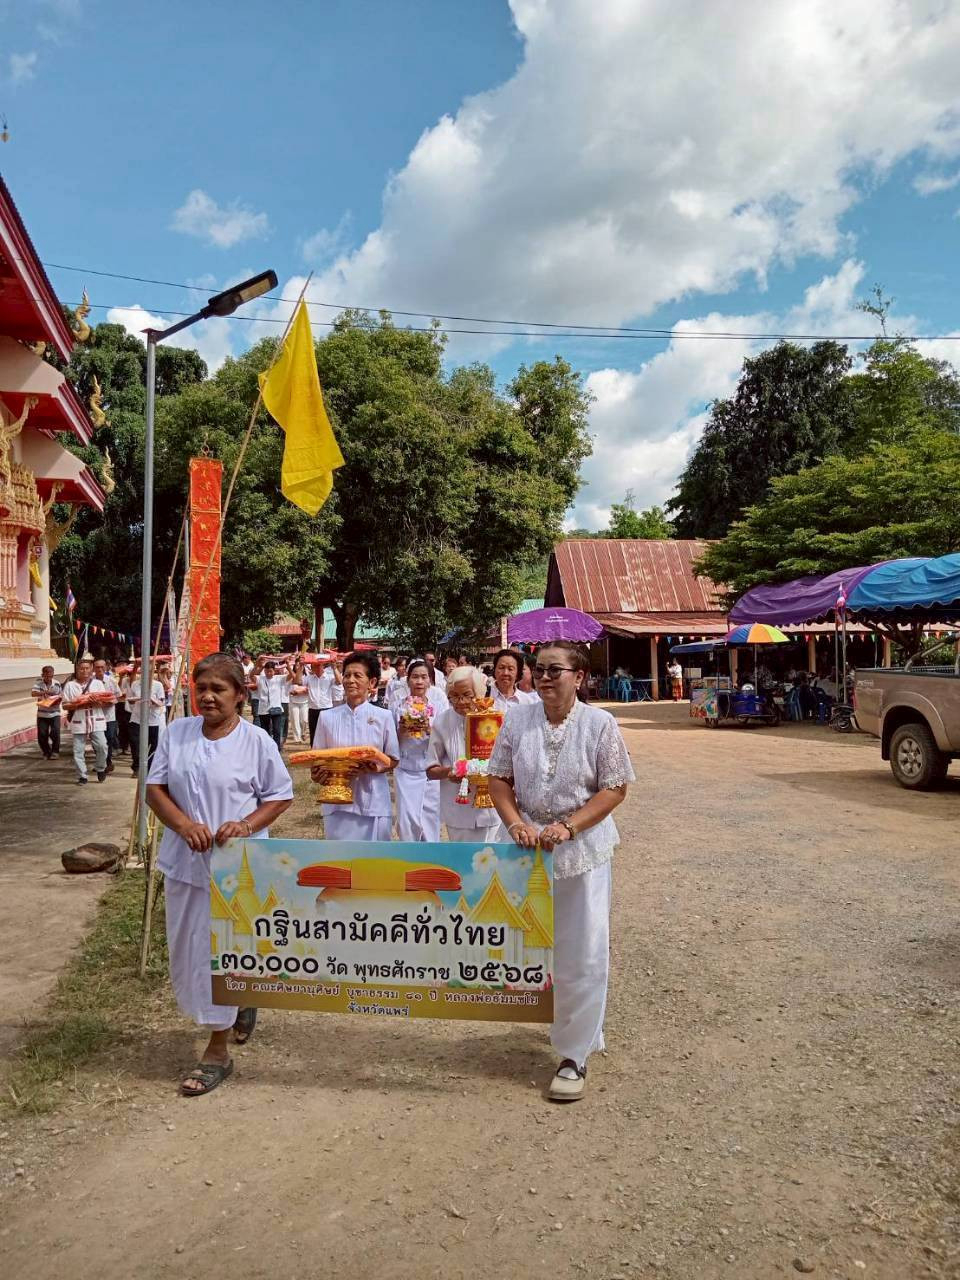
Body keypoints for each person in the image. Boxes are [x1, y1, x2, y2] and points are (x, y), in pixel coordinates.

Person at [488, 640, 635, 1103]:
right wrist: (515, 823)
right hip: (526, 850)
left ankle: (574, 1055)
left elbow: (614, 788)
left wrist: (569, 827)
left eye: (556, 670)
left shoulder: (600, 724)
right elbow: (498, 778)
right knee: (526, 945)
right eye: (540, 670)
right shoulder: (517, 719)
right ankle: (574, 1027)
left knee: (582, 949)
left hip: (582, 851)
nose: (545, 677)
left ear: (580, 676)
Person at [146, 652, 293, 1097]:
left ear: (240, 695)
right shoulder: (177, 734)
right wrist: (184, 825)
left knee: (226, 950)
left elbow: (280, 795)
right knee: (191, 949)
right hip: (186, 864)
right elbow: (155, 789)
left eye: (219, 689)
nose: (207, 697)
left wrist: (246, 824)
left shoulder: (257, 742)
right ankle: (239, 1003)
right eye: (201, 688)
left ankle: (216, 1050)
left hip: (239, 869)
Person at [310, 651, 399, 841]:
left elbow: (393, 759)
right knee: (340, 863)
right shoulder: (327, 717)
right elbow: (317, 759)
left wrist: (375, 767)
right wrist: (319, 774)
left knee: (374, 863)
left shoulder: (383, 717)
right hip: (337, 804)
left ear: (372, 683)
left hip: (373, 800)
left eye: (358, 675)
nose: (350, 680)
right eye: (347, 675)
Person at [425, 665, 507, 844]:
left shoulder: (496, 718)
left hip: (493, 807)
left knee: (491, 863)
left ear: (479, 693)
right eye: (454, 696)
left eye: (466, 695)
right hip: (458, 810)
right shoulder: (442, 721)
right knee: (462, 866)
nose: (460, 701)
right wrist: (449, 772)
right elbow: (430, 769)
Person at [393, 658, 447, 842]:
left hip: (430, 770)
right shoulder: (399, 704)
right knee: (407, 821)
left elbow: (444, 738)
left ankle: (431, 860)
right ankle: (409, 858)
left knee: (430, 820)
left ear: (430, 680)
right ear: (408, 680)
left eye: (424, 677)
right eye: (415, 677)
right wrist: (402, 728)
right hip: (405, 768)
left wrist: (428, 728)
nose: (419, 681)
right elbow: (391, 740)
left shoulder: (439, 705)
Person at [62, 658, 109, 785]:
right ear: (77, 670)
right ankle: (82, 776)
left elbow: (106, 702)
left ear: (91, 669)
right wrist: (79, 704)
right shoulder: (70, 685)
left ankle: (100, 767)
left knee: (102, 746)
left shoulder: (98, 684)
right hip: (79, 721)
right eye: (81, 668)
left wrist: (97, 702)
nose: (84, 671)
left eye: (87, 668)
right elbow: (65, 705)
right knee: (78, 750)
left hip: (96, 720)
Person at [128, 666, 166, 776]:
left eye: (149, 672)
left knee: (152, 745)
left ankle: (149, 768)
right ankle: (137, 767)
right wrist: (137, 699)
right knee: (135, 744)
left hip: (152, 719)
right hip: (136, 719)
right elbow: (130, 700)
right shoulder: (135, 684)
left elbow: (161, 702)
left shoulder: (158, 685)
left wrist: (152, 700)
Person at [305, 656, 342, 743]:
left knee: (328, 732)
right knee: (313, 733)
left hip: (326, 709)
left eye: (319, 666)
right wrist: (301, 667)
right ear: (312, 668)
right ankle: (314, 752)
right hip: (313, 709)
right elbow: (297, 681)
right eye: (315, 666)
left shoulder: (329, 677)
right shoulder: (309, 678)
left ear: (323, 667)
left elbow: (339, 681)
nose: (317, 668)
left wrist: (334, 668)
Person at [93, 658, 121, 772]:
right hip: (95, 716)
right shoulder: (90, 681)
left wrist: (109, 702)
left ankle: (107, 762)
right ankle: (100, 762)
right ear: (94, 668)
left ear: (106, 668)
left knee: (109, 739)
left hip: (109, 716)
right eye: (97, 667)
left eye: (102, 667)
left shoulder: (111, 680)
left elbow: (118, 695)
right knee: (97, 741)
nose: (100, 669)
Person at [490, 648, 538, 712]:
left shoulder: (527, 702)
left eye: (510, 669)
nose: (505, 673)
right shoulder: (484, 696)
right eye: (501, 668)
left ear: (517, 673)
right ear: (494, 670)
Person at [31, 664, 63, 760]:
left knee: (55, 732)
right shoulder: (38, 684)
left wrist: (56, 700)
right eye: (46, 675)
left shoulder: (57, 683)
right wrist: (44, 693)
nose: (49, 677)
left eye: (51, 675)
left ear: (53, 674)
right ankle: (46, 751)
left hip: (55, 712)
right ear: (43, 675)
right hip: (42, 713)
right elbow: (33, 693)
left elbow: (60, 695)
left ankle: (55, 751)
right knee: (42, 734)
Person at [256, 659, 286, 749]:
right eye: (266, 671)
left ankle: (276, 748)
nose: (268, 673)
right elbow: (251, 675)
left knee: (277, 730)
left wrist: (287, 665)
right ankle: (267, 748)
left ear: (274, 671)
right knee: (265, 731)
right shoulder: (260, 679)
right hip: (263, 709)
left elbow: (293, 677)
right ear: (264, 671)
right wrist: (259, 666)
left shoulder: (279, 678)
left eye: (270, 671)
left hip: (276, 708)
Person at [287, 658, 310, 745]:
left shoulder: (307, 677)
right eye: (296, 665)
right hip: (293, 702)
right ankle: (297, 738)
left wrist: (300, 691)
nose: (298, 667)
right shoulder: (290, 676)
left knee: (304, 720)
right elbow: (290, 685)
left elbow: (309, 688)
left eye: (300, 665)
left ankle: (303, 733)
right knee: (295, 721)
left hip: (304, 702)